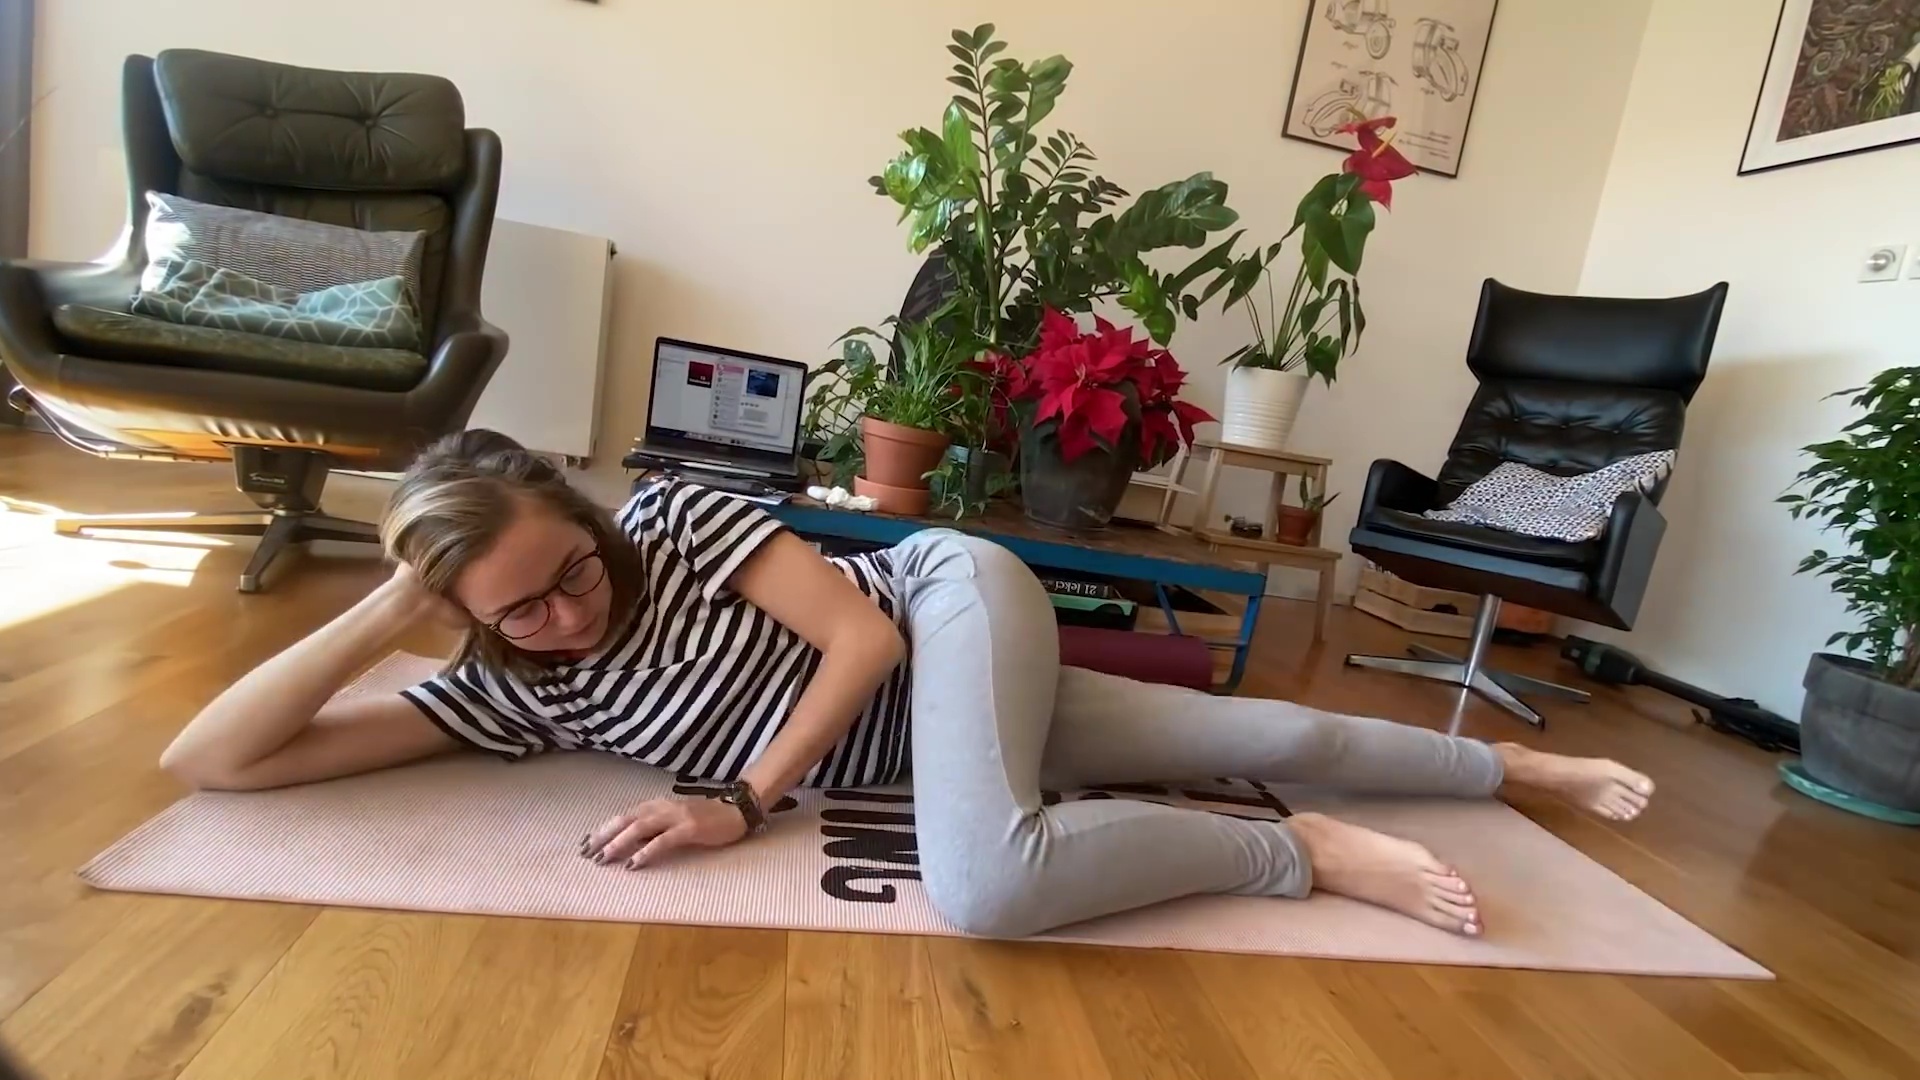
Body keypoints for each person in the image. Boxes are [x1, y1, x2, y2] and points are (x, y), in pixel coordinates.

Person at [162, 430, 1654, 939]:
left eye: (572, 568)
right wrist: (392, 605)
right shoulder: (510, 693)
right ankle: (1444, 793)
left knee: (986, 885)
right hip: (950, 733)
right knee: (1267, 731)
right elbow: (216, 763)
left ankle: (1358, 830)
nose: (570, 610)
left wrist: (744, 800)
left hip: (946, 610)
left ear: (588, 517)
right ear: (464, 618)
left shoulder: (671, 519)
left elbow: (863, 642)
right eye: (521, 609)